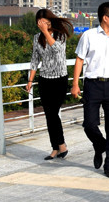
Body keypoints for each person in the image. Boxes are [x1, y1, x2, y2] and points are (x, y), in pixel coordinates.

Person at [71, 1, 109, 178]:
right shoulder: (89, 36)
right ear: (105, 18)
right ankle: (100, 145)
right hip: (93, 85)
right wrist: (75, 84)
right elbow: (80, 60)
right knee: (89, 124)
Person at [25, 8, 73, 160]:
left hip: (59, 78)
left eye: (45, 22)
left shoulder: (60, 35)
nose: (43, 25)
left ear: (50, 21)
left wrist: (46, 32)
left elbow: (57, 50)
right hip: (44, 79)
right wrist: (30, 80)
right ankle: (56, 148)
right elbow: (35, 60)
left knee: (53, 113)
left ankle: (61, 145)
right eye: (40, 23)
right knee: (48, 115)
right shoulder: (36, 38)